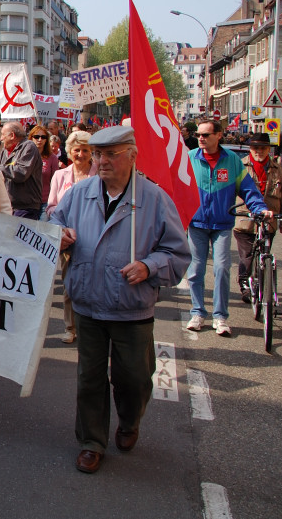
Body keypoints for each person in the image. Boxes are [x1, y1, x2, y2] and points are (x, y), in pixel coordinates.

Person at [49, 126, 190, 474]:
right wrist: (58, 235)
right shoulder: (79, 193)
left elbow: (177, 253)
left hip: (132, 308)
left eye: (111, 154)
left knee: (135, 378)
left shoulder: (154, 199)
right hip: (88, 303)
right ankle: (91, 442)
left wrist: (148, 265)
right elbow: (49, 223)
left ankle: (129, 421)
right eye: (98, 154)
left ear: (132, 155)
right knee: (89, 379)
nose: (102, 161)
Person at [185, 120, 270, 337]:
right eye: (198, 134)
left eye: (205, 134)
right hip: (196, 223)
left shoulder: (232, 160)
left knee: (222, 269)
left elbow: (248, 189)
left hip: (222, 224)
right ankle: (197, 312)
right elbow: (177, 187)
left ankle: (220, 316)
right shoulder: (190, 158)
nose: (201, 138)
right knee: (195, 271)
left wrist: (259, 208)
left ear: (219, 135)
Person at [46, 130, 97, 344]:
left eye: (86, 150)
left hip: (94, 238)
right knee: (69, 285)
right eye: (77, 150)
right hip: (67, 239)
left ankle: (92, 327)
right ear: (69, 152)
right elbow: (50, 207)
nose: (81, 154)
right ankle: (70, 327)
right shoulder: (60, 175)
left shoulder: (99, 174)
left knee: (94, 284)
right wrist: (63, 228)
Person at [232, 133, 282, 303]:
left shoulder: (278, 169)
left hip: (269, 222)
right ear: (250, 149)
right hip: (245, 220)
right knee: (247, 256)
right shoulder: (240, 166)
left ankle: (262, 285)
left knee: (264, 255)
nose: (259, 151)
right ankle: (244, 283)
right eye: (256, 148)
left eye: (263, 148)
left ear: (269, 150)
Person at [0, 122, 43, 219]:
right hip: (8, 207)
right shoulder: (4, 151)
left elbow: (21, 173)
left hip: (25, 208)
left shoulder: (29, 147)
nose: (1, 138)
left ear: (12, 136)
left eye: (3, 134)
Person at [28, 125, 58, 216]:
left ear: (46, 140)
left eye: (43, 137)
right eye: (36, 137)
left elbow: (55, 180)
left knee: (42, 229)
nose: (40, 140)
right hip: (28, 202)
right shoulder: (25, 156)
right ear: (31, 138)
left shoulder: (52, 158)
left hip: (45, 201)